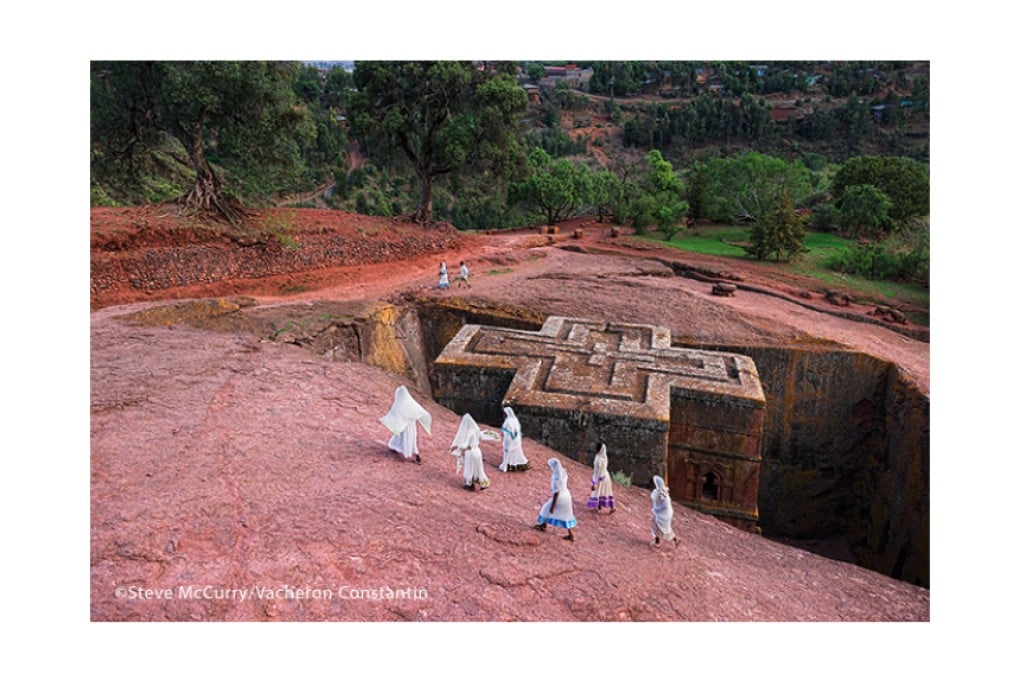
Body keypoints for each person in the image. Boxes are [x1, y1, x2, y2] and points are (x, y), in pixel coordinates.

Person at [379, 385, 431, 464]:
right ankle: (397, 448)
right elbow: (417, 411)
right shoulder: (410, 402)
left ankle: (414, 455)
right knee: (409, 440)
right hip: (411, 427)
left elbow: (394, 413)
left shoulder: (400, 403)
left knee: (403, 438)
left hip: (404, 426)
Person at [535, 458, 576, 541]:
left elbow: (556, 493)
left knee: (545, 508)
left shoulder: (556, 478)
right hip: (567, 495)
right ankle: (571, 534)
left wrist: (553, 506)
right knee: (566, 516)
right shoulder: (563, 473)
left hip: (560, 497)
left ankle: (542, 524)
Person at [450, 413, 491, 491]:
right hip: (477, 451)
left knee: (469, 469)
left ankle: (470, 484)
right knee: (478, 469)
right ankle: (484, 482)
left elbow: (465, 445)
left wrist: (457, 446)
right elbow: (481, 436)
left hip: (471, 452)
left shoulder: (470, 431)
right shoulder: (476, 429)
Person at [499, 406, 531, 472]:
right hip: (516, 440)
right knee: (516, 453)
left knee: (507, 452)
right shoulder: (515, 420)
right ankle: (518, 465)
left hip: (510, 440)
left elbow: (508, 432)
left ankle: (506, 466)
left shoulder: (508, 421)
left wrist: (506, 436)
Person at [650, 475, 679, 548]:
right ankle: (658, 542)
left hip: (664, 513)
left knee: (661, 527)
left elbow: (665, 505)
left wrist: (657, 510)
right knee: (657, 526)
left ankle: (658, 543)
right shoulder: (659, 492)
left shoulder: (664, 494)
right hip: (661, 513)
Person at [587, 442, 615, 513]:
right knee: (607, 492)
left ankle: (597, 508)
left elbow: (597, 472)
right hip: (606, 476)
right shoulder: (604, 457)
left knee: (597, 492)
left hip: (600, 478)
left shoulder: (598, 459)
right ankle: (611, 507)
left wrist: (593, 482)